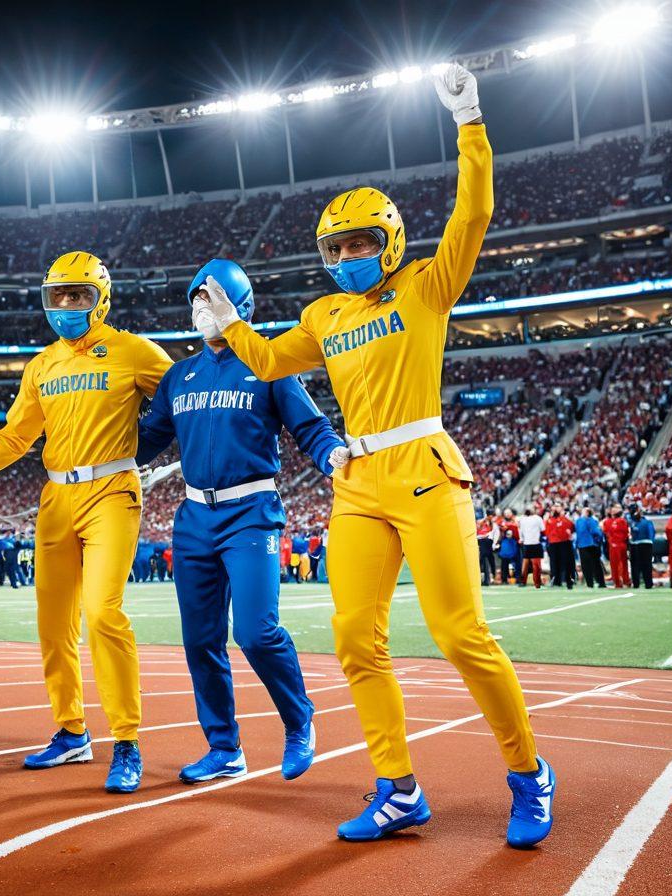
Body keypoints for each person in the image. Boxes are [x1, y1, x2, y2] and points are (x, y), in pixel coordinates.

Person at [200, 65, 554, 848]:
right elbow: (267, 362)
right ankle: (397, 789)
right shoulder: (324, 313)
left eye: (362, 241)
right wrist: (229, 323)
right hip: (358, 482)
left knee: (460, 634)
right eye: (338, 245)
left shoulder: (427, 286)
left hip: (425, 467)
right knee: (355, 637)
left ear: (390, 240)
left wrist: (469, 119)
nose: (350, 253)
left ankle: (529, 772)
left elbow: (477, 210)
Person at [0, 251, 172, 794]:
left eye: (79, 295)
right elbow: (13, 439)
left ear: (102, 299)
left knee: (102, 614)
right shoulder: (42, 365)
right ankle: (72, 732)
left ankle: (127, 741)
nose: (67, 305)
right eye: (58, 296)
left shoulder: (134, 351)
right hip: (56, 497)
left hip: (112, 491)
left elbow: (184, 398)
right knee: (53, 627)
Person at [137, 258, 348, 784]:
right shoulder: (178, 375)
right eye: (196, 299)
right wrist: (86, 443)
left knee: (255, 632)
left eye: (211, 298)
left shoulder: (269, 363)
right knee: (199, 640)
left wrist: (332, 459)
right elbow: (145, 440)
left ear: (241, 306)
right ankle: (224, 747)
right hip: (192, 519)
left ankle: (299, 721)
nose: (200, 309)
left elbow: (312, 428)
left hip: (250, 514)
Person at [544, 505, 575, 589]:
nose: (555, 509)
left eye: (557, 507)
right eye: (554, 508)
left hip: (564, 543)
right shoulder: (549, 520)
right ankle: (556, 580)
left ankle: (567, 580)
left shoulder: (565, 519)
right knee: (554, 562)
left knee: (565, 562)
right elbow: (545, 532)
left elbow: (571, 527)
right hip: (553, 543)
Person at [575, 507, 606, 589]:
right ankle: (601, 582)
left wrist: (577, 544)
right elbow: (596, 532)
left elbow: (577, 532)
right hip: (592, 545)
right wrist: (598, 541)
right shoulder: (592, 520)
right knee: (596, 565)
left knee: (586, 566)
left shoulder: (578, 521)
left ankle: (590, 583)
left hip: (582, 545)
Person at [602, 504, 631, 588]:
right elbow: (626, 533)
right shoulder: (623, 521)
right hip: (622, 544)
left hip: (614, 545)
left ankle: (618, 583)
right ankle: (626, 581)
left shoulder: (607, 522)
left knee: (615, 565)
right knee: (624, 564)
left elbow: (606, 532)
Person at [628, 506, 656, 590]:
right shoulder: (632, 522)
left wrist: (650, 542)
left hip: (644, 544)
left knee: (644, 565)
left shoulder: (646, 522)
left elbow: (651, 533)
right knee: (638, 565)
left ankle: (647, 583)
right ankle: (639, 583)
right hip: (636, 544)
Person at [518, 507, 545, 589]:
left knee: (525, 565)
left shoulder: (522, 519)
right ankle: (537, 583)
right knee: (536, 565)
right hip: (535, 543)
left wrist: (522, 539)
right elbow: (543, 529)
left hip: (527, 544)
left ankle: (523, 582)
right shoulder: (538, 518)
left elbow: (520, 531)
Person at [497, 509, 521, 585]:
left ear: (511, 513)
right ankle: (504, 579)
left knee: (518, 562)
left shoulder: (516, 520)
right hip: (505, 545)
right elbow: (500, 529)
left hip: (515, 544)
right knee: (504, 563)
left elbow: (518, 529)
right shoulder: (501, 521)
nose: (507, 514)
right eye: (505, 513)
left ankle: (518, 578)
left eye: (508, 513)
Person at [475, 506, 497, 587]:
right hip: (481, 541)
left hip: (488, 542)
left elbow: (494, 533)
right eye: (490, 515)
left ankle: (491, 578)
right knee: (483, 560)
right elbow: (478, 528)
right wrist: (484, 520)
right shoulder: (481, 521)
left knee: (489, 560)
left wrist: (494, 543)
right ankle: (485, 579)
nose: (491, 517)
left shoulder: (493, 523)